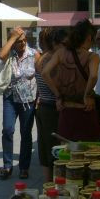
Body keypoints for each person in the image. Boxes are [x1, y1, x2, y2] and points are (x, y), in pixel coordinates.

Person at [43, 20, 100, 142]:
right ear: (89, 37)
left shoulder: (60, 53)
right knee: (90, 153)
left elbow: (44, 73)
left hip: (66, 111)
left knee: (66, 153)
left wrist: (58, 95)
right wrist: (87, 95)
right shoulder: (92, 57)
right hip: (85, 111)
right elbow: (93, 76)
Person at [0, 27, 39, 180]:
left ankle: (24, 167)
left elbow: (40, 76)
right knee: (7, 130)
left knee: (26, 133)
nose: (22, 44)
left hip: (28, 99)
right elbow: (0, 55)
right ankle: (7, 165)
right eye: (18, 41)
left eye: (23, 41)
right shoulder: (10, 53)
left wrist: (40, 96)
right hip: (10, 96)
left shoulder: (34, 54)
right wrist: (12, 37)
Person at [34, 28, 67, 183]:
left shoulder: (41, 58)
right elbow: (51, 80)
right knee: (54, 147)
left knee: (45, 147)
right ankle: (52, 183)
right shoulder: (52, 59)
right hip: (52, 107)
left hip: (43, 106)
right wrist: (59, 94)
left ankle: (48, 183)